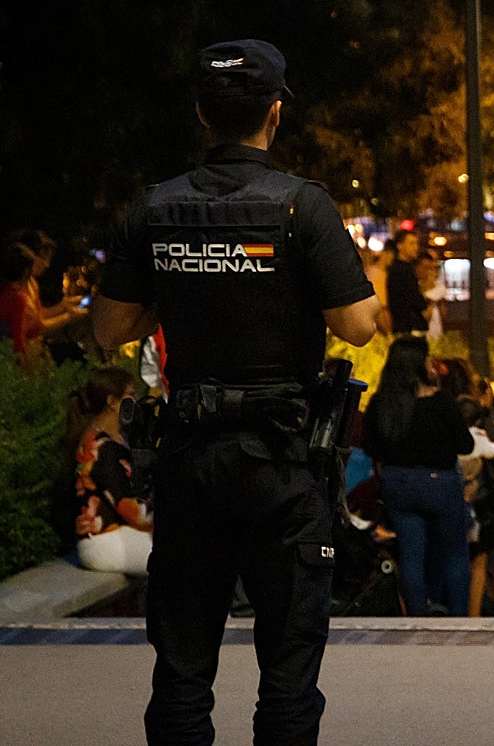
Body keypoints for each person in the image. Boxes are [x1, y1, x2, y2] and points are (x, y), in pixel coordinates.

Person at [91, 39, 379, 743]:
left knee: (183, 673)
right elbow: (359, 324)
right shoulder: (301, 207)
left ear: (200, 113)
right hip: (282, 461)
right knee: (287, 675)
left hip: (190, 459)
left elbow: (108, 329)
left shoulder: (155, 208)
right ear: (275, 114)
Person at [362, 336, 474, 615]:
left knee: (411, 554)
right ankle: (457, 615)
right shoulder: (441, 403)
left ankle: (415, 615)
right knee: (454, 552)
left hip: (399, 483)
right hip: (440, 483)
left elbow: (371, 446)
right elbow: (465, 445)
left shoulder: (381, 404)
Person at [68, 366, 152, 575]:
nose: (136, 402)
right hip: (104, 543)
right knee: (187, 555)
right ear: (112, 402)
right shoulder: (101, 449)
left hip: (117, 537)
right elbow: (134, 512)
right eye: (131, 395)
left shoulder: (109, 442)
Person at [387, 229, 429, 335]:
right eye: (411, 243)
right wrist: (423, 302)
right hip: (408, 327)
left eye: (416, 243)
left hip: (409, 325)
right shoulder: (400, 270)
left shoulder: (406, 267)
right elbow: (413, 297)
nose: (415, 247)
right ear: (399, 246)